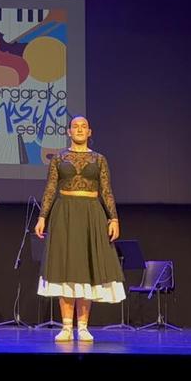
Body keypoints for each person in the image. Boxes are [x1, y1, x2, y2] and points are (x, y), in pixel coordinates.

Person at [34, 115, 125, 342]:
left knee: (87, 268)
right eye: (75, 126)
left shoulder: (100, 159)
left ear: (90, 132)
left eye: (84, 126)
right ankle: (66, 327)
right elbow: (50, 189)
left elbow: (106, 191)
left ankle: (83, 326)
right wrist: (42, 216)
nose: (80, 129)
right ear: (69, 132)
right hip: (64, 213)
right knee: (65, 267)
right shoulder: (59, 157)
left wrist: (113, 218)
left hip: (91, 213)